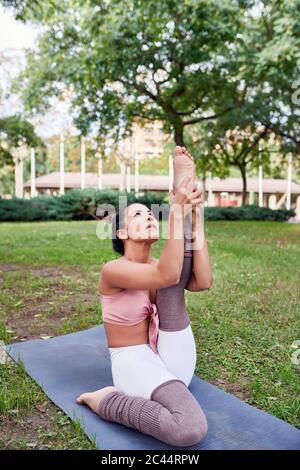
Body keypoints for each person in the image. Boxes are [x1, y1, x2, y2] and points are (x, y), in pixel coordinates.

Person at [77, 146, 213, 447]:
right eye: (139, 214)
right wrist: (177, 211)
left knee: (172, 284)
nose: (149, 215)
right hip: (133, 362)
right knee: (189, 428)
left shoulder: (159, 268)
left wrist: (195, 220)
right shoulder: (113, 271)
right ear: (122, 234)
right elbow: (167, 274)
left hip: (169, 355)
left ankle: (186, 191)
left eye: (151, 213)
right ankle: (107, 400)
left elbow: (203, 282)